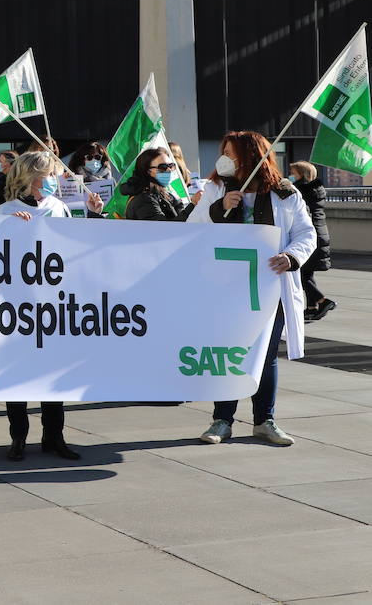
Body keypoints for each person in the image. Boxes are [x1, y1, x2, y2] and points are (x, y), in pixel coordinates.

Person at [191, 132, 316, 446]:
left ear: (251, 156)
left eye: (232, 154)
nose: (225, 160)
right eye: (224, 152)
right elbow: (192, 229)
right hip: (224, 288)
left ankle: (265, 420)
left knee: (266, 354)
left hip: (269, 287)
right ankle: (222, 420)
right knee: (228, 352)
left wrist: (291, 256)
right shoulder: (215, 188)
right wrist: (218, 209)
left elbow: (306, 233)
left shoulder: (286, 193)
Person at [0, 150, 101, 461]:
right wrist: (9, 229)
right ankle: (18, 439)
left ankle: (54, 436)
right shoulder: (4, 211)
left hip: (54, 307)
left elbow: (81, 248)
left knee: (54, 376)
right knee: (18, 376)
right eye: (49, 174)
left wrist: (94, 214)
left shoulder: (60, 208)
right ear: (29, 177)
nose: (54, 179)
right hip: (17, 306)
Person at [291, 161, 334, 322]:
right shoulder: (316, 190)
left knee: (301, 273)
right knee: (307, 273)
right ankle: (311, 308)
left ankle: (323, 301)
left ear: (301, 174)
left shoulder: (301, 191)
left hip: (309, 236)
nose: (291, 176)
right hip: (320, 234)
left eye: (294, 173)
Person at [120, 147, 189, 221]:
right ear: (148, 171)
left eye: (171, 166)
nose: (169, 170)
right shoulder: (144, 199)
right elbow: (163, 228)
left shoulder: (165, 194)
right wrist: (192, 205)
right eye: (163, 167)